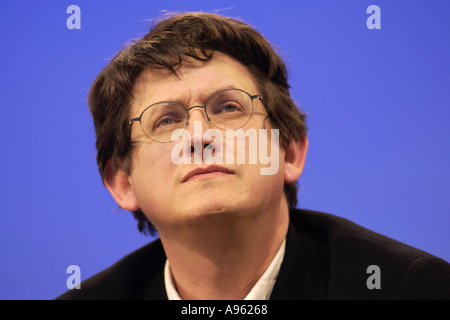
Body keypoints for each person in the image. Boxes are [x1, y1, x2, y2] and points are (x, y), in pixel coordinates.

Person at [57, 12, 450, 300]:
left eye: (228, 108)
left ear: (290, 150)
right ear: (122, 182)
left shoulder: (410, 288)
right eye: (165, 121)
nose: (199, 136)